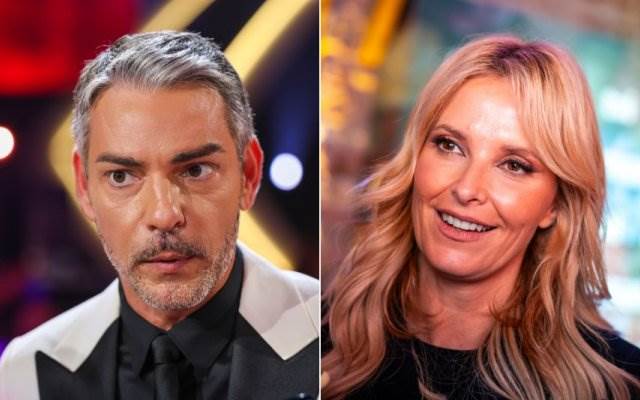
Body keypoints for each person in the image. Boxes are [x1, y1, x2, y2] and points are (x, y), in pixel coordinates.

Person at [0, 31, 319, 399]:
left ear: (248, 173)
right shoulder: (27, 373)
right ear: (84, 187)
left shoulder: (330, 334)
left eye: (195, 170)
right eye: (122, 176)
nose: (164, 215)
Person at [322, 35, 640, 399]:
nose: (466, 188)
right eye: (449, 145)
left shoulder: (620, 385)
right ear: (415, 159)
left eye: (514, 165)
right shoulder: (315, 338)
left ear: (555, 204)